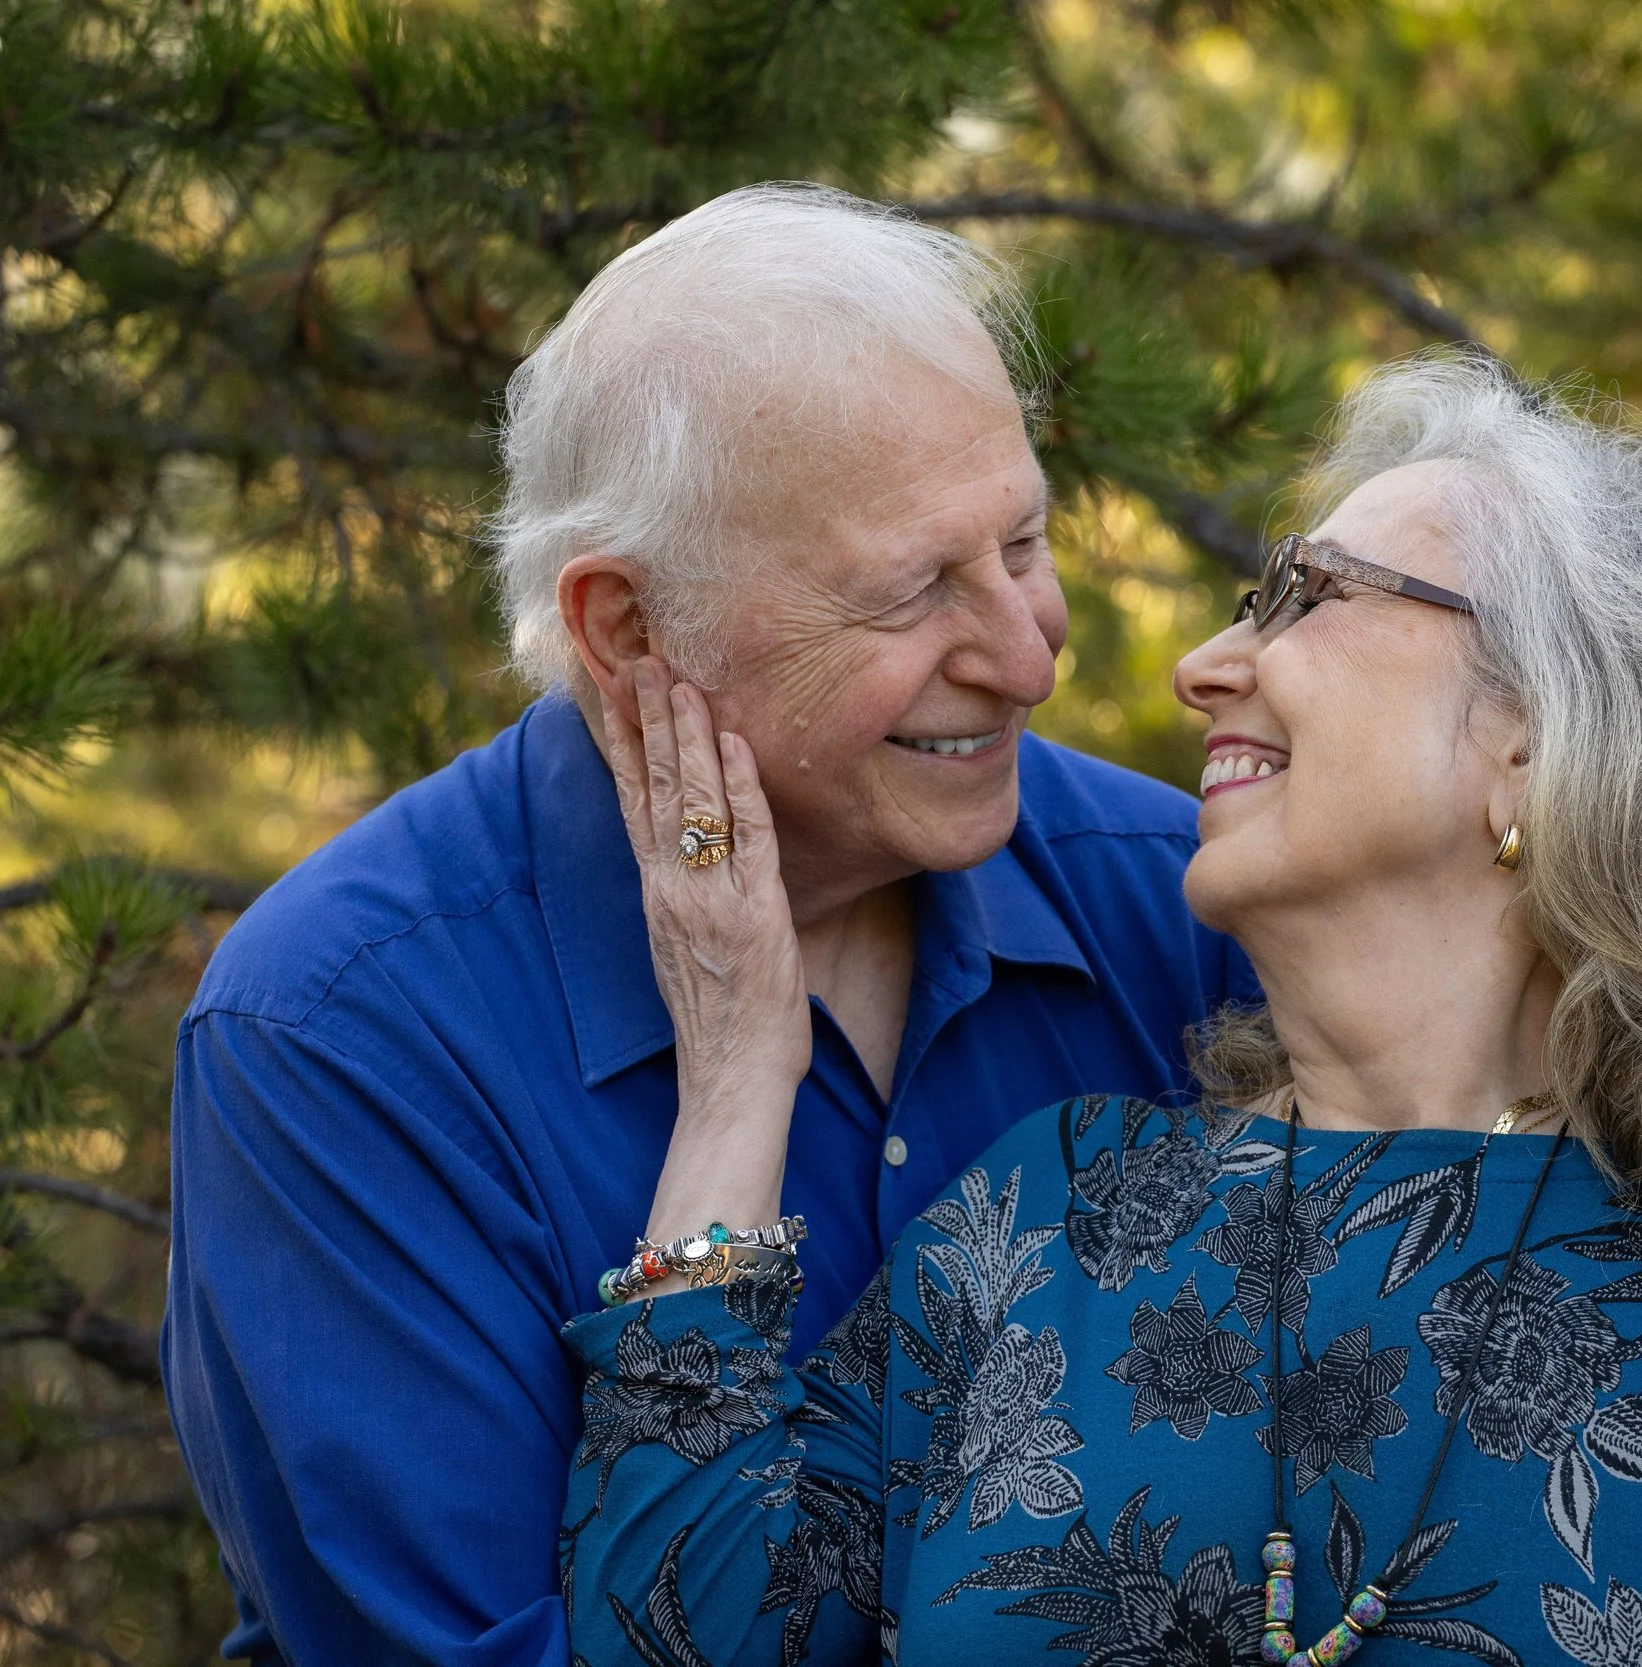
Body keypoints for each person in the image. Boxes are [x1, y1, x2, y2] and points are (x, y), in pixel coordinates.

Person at [560, 352, 1642, 1666]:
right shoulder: (1049, 1221)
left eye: (1309, 597)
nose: (1205, 667)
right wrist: (742, 1071)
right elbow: (681, 1637)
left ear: (1540, 743)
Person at [160, 185, 1256, 1665]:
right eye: (915, 587)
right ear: (629, 626)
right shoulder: (338, 1038)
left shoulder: (1180, 900)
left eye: (1026, 543)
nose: (1025, 654)